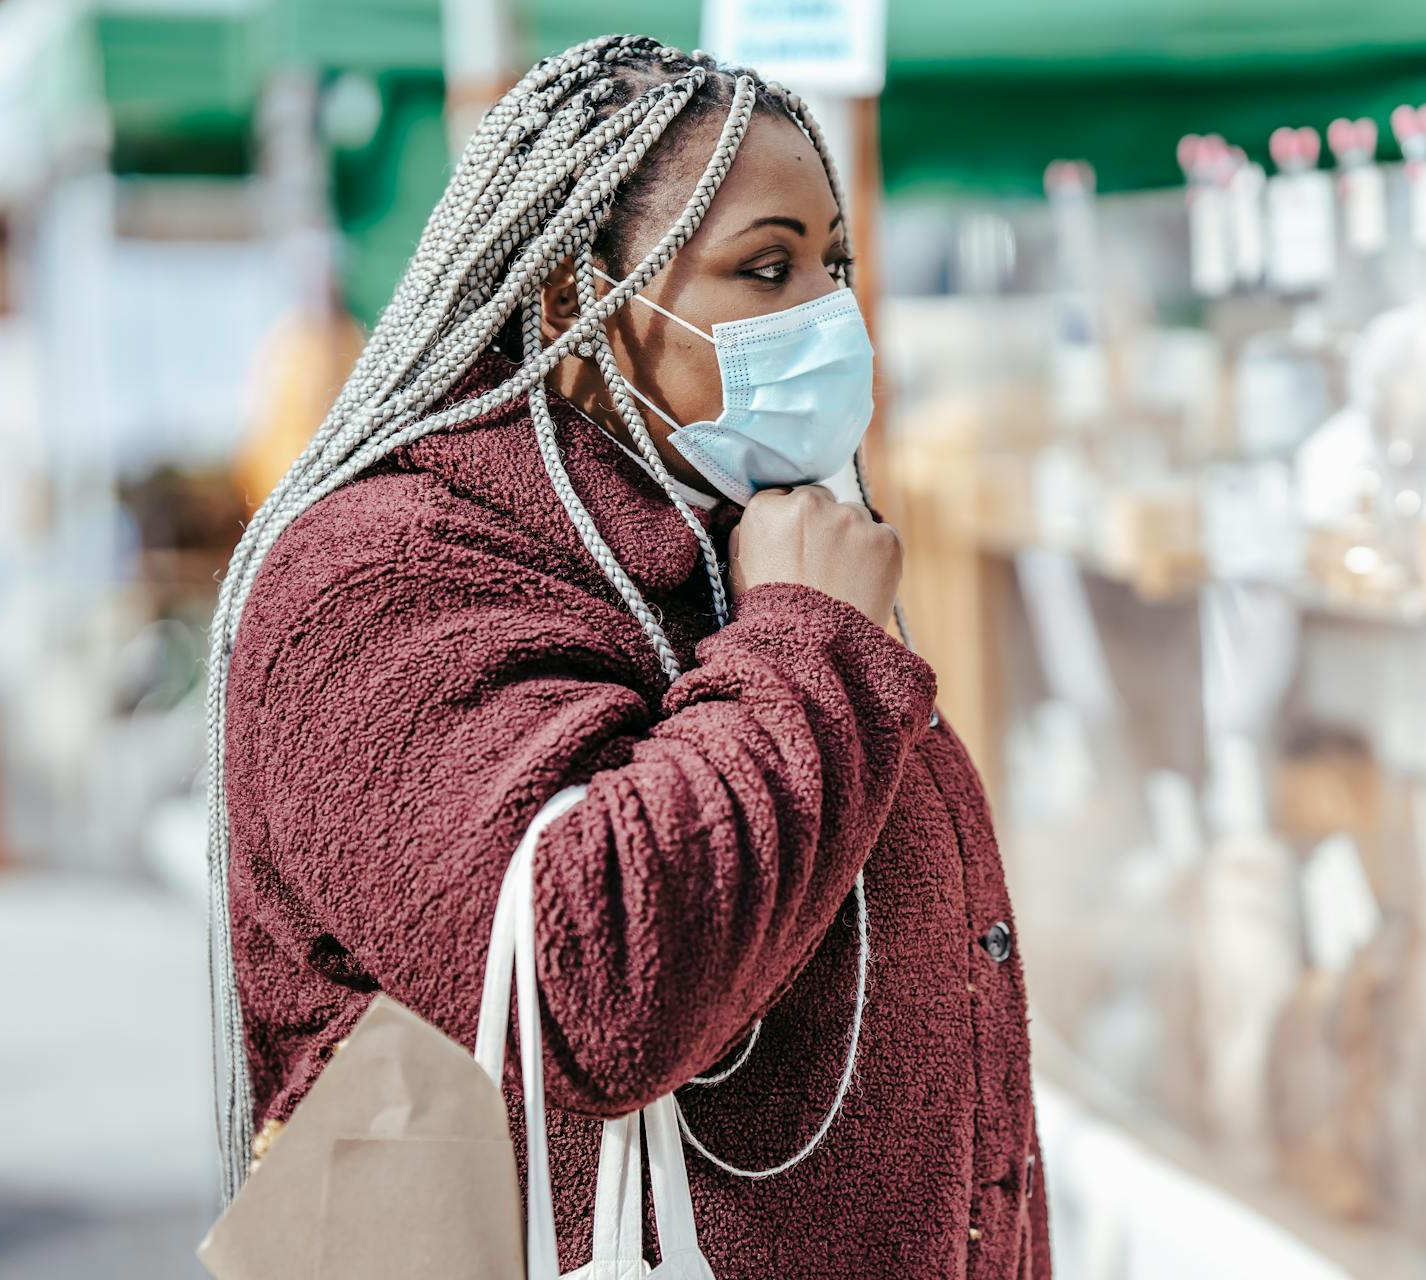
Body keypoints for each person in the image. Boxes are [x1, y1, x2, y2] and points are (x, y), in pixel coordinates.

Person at [203, 35, 1049, 1278]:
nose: (827, 318)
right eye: (766, 269)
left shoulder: (731, 533)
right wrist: (813, 639)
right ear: (569, 301)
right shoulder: (376, 575)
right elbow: (592, 977)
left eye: (835, 266)